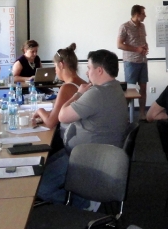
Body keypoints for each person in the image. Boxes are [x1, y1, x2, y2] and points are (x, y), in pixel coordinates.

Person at [36, 49, 129, 206]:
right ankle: (80, 196)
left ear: (99, 70)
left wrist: (78, 94)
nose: (87, 73)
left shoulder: (97, 93)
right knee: (42, 167)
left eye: (89, 68)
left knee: (40, 186)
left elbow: (62, 116)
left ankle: (83, 204)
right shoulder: (115, 87)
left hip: (88, 157)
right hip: (93, 150)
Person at [32, 43, 86, 132]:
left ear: (61, 65)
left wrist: (40, 111)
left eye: (55, 66)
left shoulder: (67, 88)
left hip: (70, 135)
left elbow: (50, 123)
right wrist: (47, 114)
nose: (55, 71)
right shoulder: (84, 83)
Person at [117, 4, 149, 120]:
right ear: (136, 14)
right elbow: (119, 45)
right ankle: (124, 116)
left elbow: (143, 41)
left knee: (143, 88)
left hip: (143, 61)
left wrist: (145, 47)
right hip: (131, 62)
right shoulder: (125, 27)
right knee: (130, 90)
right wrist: (137, 49)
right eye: (143, 13)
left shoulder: (142, 26)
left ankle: (142, 114)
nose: (145, 15)